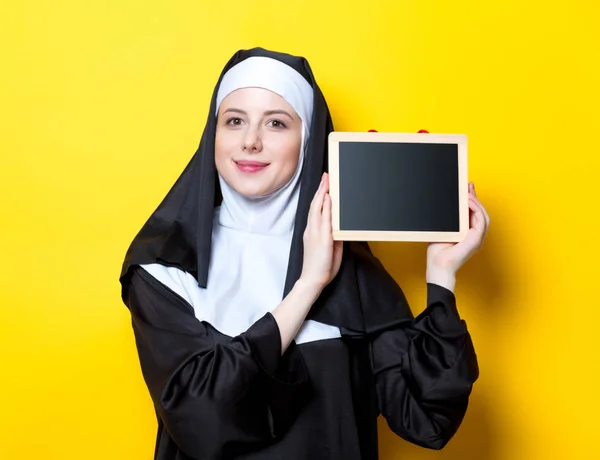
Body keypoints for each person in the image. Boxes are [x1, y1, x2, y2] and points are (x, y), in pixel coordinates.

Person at [119, 47, 489, 460]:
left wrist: (442, 275)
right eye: (234, 120)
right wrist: (309, 285)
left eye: (276, 123)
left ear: (309, 141)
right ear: (214, 134)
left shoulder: (353, 271)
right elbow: (202, 418)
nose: (250, 142)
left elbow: (426, 419)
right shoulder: (164, 265)